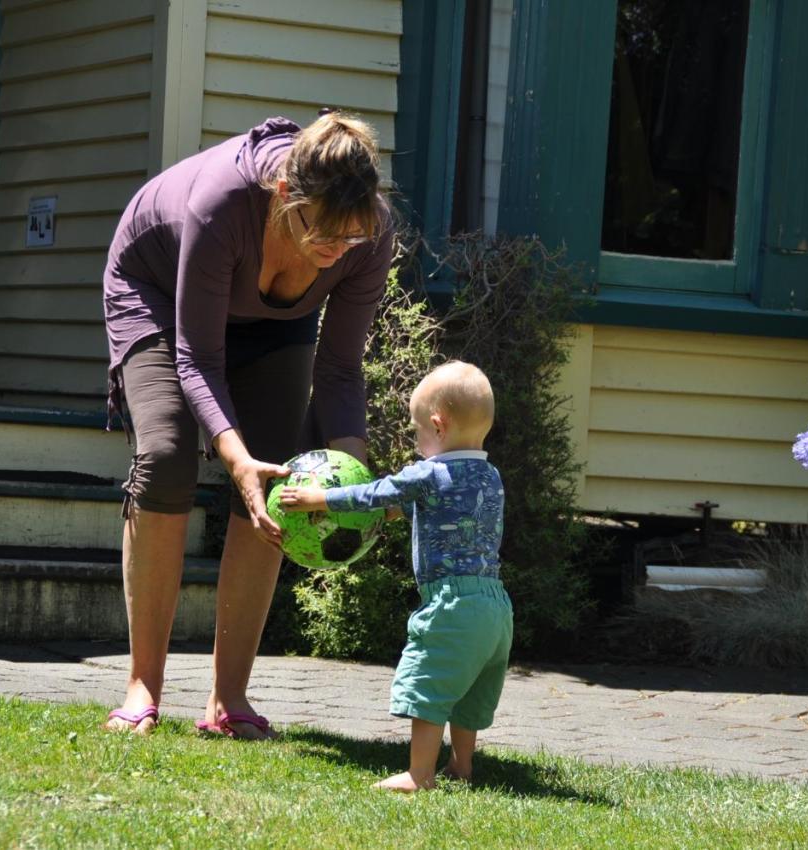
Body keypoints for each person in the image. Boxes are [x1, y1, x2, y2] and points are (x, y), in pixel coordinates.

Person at [101, 111, 394, 737]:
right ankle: (142, 687)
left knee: (278, 477)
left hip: (275, 320)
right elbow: (197, 359)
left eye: (352, 240)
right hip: (154, 287)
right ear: (287, 195)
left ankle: (228, 699)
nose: (336, 252)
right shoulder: (224, 204)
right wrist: (234, 461)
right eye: (325, 237)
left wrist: (356, 488)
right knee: (169, 454)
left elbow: (340, 370)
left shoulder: (367, 235)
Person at [279, 361, 513, 791]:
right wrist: (403, 508)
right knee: (468, 693)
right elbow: (456, 512)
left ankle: (418, 775)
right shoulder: (490, 476)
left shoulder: (428, 473)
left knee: (429, 685)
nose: (418, 439)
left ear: (438, 426)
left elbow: (375, 492)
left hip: (452, 604)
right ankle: (463, 766)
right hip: (496, 608)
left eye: (417, 430)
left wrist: (320, 499)